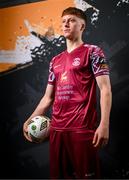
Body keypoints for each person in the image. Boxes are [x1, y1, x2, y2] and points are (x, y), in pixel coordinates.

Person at [23, 7, 112, 179]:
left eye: (71, 20)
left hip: (82, 129)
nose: (66, 24)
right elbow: (48, 97)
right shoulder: (55, 60)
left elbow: (105, 89)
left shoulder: (93, 52)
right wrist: (30, 119)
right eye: (63, 21)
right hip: (56, 130)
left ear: (82, 26)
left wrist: (104, 124)